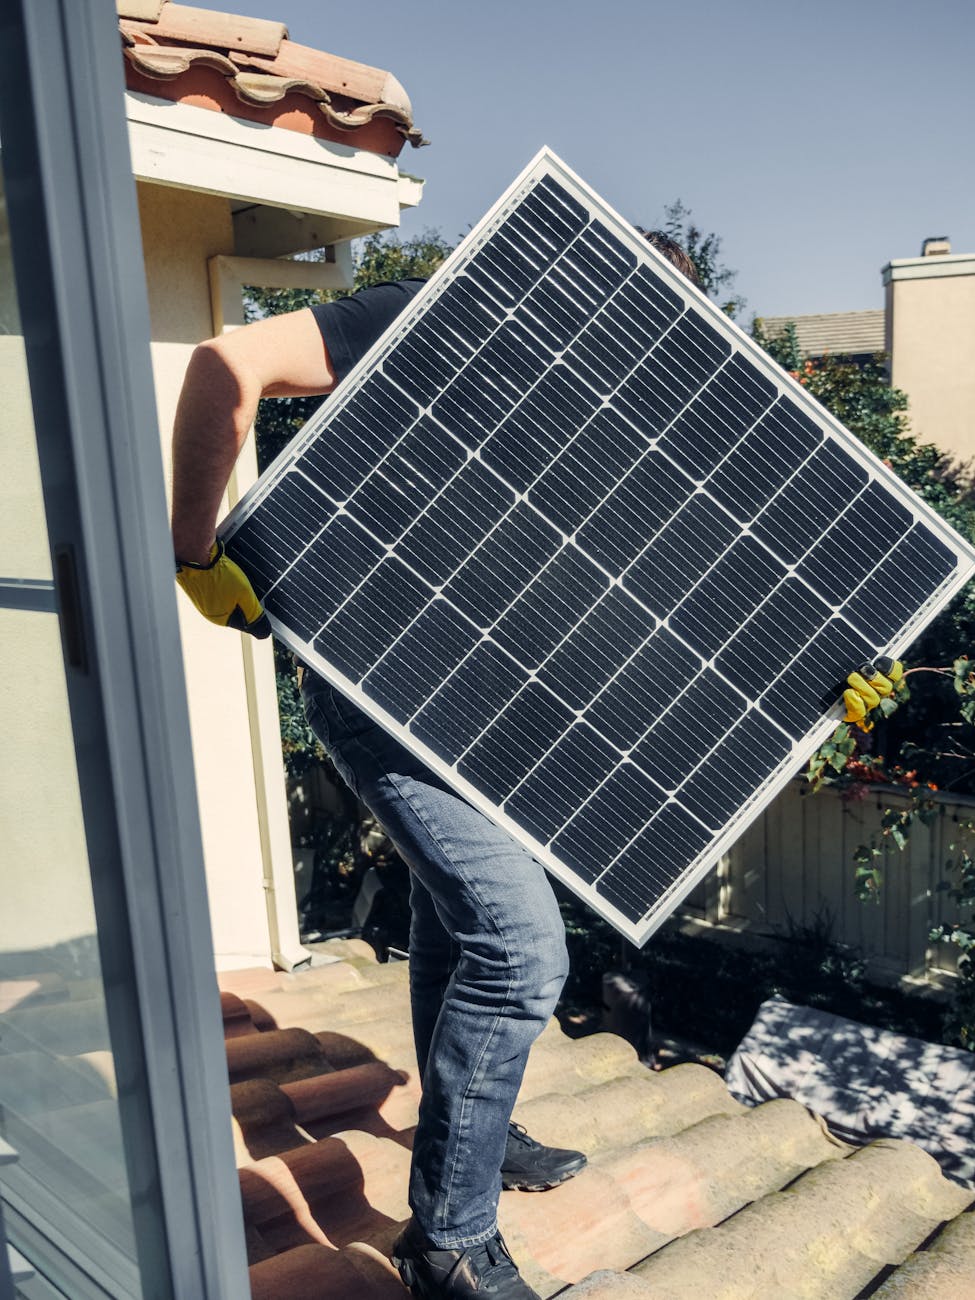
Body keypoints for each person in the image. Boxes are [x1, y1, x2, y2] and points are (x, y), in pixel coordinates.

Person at [171, 233, 901, 1299]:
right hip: (377, 677)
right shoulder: (440, 318)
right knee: (517, 948)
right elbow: (224, 364)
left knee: (452, 909)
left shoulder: (635, 427)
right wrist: (194, 552)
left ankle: (472, 1126)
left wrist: (829, 669)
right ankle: (448, 1239)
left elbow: (721, 600)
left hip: (489, 706)